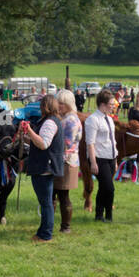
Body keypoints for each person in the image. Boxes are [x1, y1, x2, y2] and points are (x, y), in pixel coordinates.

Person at [21, 93, 64, 242]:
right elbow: (37, 141)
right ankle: (42, 231)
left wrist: (30, 130)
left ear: (46, 106)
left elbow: (43, 143)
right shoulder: (48, 121)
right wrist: (26, 134)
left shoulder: (50, 123)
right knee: (45, 202)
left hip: (44, 167)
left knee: (46, 203)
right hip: (44, 166)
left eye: (42, 104)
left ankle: (45, 234)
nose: (40, 107)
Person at [84, 88, 118, 223]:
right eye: (111, 104)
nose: (113, 107)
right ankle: (108, 213)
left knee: (104, 187)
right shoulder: (92, 120)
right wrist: (93, 162)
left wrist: (115, 159)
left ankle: (99, 214)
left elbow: (112, 140)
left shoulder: (109, 119)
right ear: (103, 104)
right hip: (99, 158)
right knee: (109, 188)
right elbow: (90, 143)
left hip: (110, 157)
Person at [53, 90, 82, 233]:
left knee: (63, 195)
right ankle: (51, 223)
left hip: (66, 162)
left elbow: (66, 144)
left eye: (61, 103)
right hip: (63, 161)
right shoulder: (64, 118)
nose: (58, 106)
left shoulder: (70, 120)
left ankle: (66, 226)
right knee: (55, 194)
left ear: (69, 104)